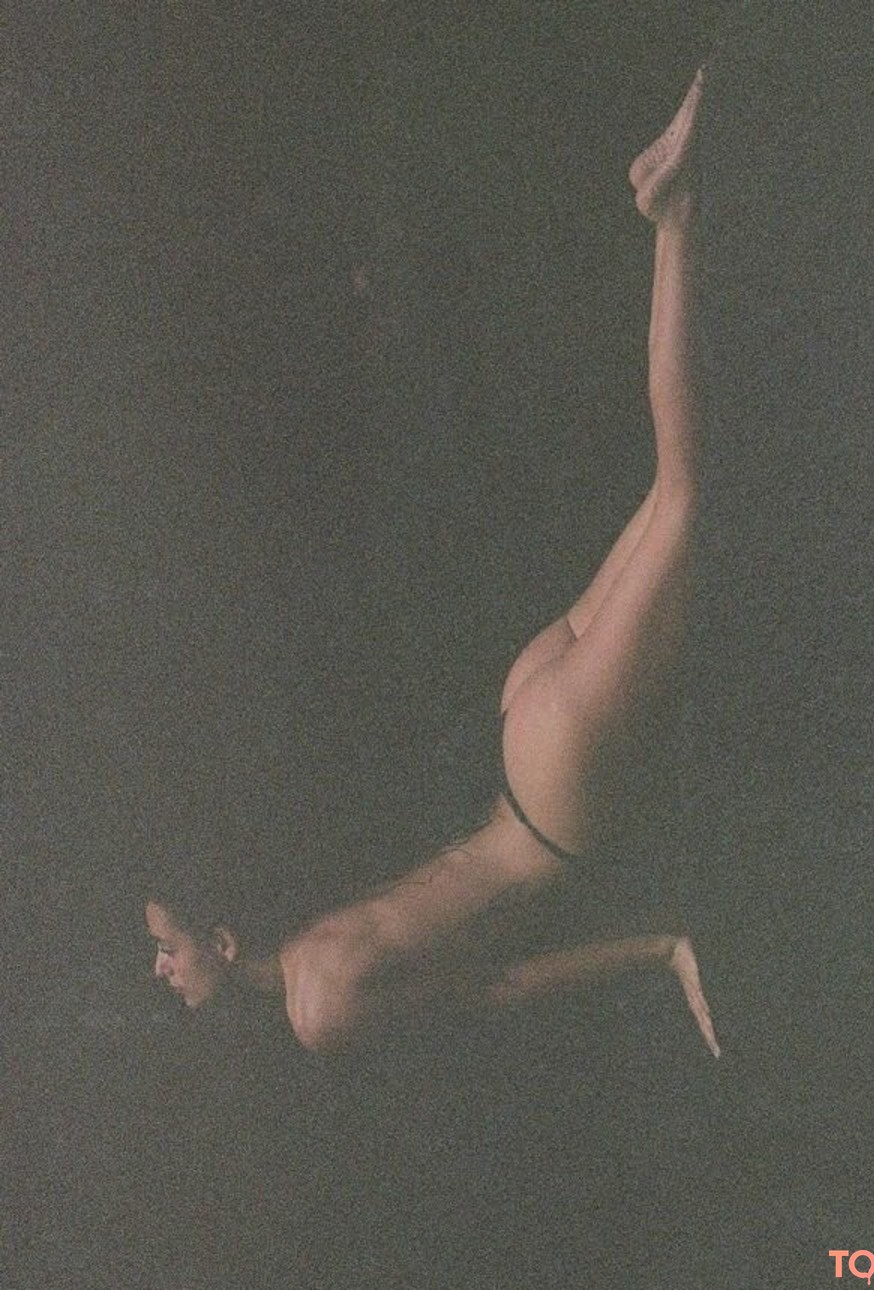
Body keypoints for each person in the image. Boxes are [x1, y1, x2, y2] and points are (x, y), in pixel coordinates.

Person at [146, 69, 718, 1060]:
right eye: (164, 953)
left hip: (552, 797)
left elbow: (497, 990)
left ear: (225, 940)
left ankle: (676, 218)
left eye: (167, 949)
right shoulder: (311, 944)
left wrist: (661, 951)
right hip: (524, 731)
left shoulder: (321, 1012)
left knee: (686, 494)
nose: (163, 970)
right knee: (674, 491)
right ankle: (694, 204)